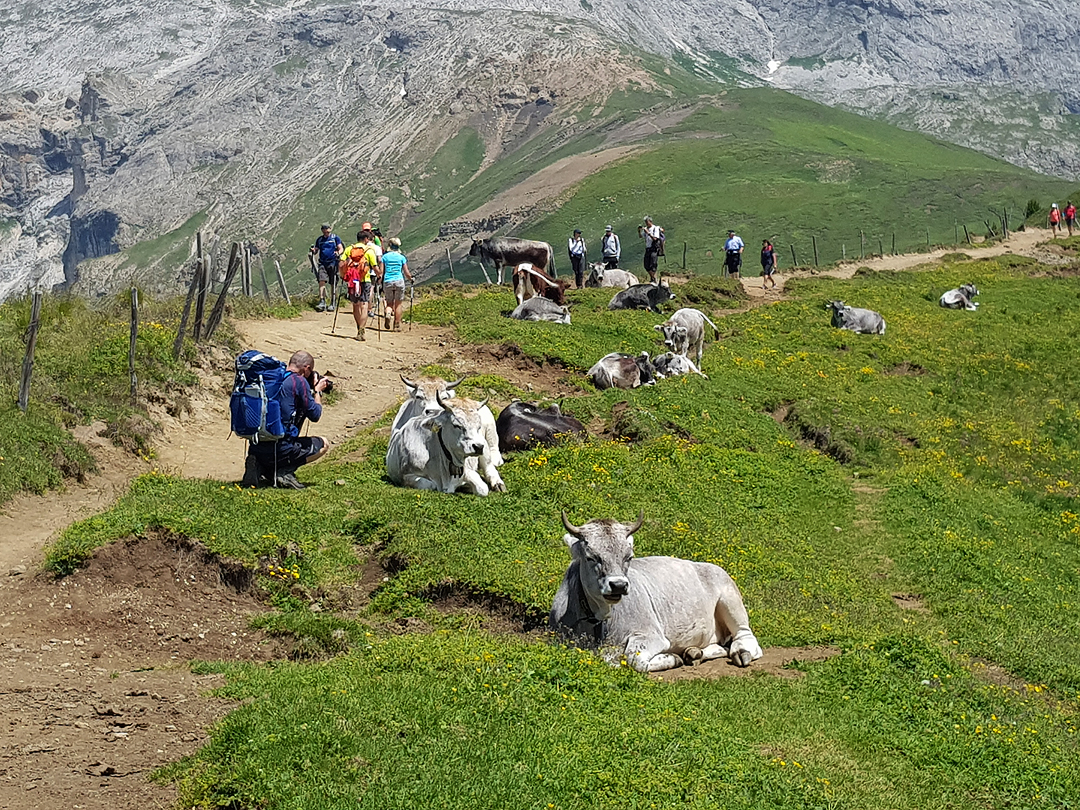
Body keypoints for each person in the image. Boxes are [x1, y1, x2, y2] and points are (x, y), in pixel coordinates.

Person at [243, 350, 330, 490]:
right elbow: (315, 414)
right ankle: (284, 472)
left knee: (269, 447)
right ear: (306, 368)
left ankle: (258, 464)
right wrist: (317, 391)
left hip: (256, 444)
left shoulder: (270, 377)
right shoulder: (299, 381)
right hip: (282, 447)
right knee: (324, 443)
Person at [341, 230, 376, 340]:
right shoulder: (369, 251)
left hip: (353, 281)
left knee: (355, 305)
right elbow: (374, 266)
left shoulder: (349, 249)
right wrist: (379, 274)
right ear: (365, 239)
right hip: (365, 280)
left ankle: (358, 328)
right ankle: (362, 329)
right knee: (364, 305)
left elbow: (341, 263)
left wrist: (343, 275)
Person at [378, 237, 414, 331]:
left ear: (389, 245)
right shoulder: (402, 257)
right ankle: (397, 325)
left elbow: (381, 272)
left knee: (389, 303)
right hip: (399, 281)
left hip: (388, 281)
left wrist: (378, 280)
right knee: (398, 304)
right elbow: (406, 272)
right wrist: (411, 279)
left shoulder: (384, 257)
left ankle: (388, 313)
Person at [310, 224, 343, 311]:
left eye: (327, 229)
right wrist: (314, 250)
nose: (326, 231)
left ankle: (333, 302)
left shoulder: (335, 238)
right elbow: (317, 250)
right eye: (324, 230)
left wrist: (338, 253)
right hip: (322, 263)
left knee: (333, 283)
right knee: (321, 281)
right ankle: (322, 301)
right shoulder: (320, 239)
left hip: (333, 263)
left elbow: (341, 248)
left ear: (330, 229)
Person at [639, 216, 663, 282]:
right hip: (648, 248)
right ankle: (653, 277)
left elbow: (655, 238)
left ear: (650, 221)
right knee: (646, 265)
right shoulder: (646, 229)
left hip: (654, 248)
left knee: (653, 264)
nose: (646, 223)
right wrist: (639, 231)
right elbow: (641, 236)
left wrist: (648, 233)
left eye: (647, 222)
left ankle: (654, 279)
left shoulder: (655, 228)